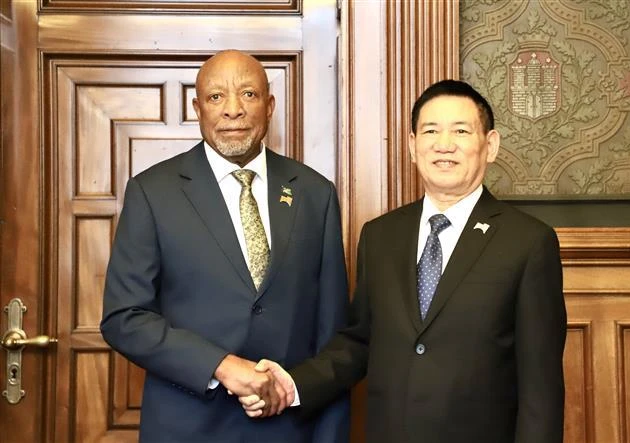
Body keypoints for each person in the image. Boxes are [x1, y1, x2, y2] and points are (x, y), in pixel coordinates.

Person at [241, 79, 567, 443]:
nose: (444, 145)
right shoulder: (381, 236)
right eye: (430, 131)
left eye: (460, 130)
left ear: (490, 145)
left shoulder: (528, 242)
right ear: (413, 146)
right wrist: (293, 383)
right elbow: (360, 343)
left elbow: (541, 387)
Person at [100, 50, 350, 443]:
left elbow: (333, 334)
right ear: (197, 108)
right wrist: (221, 365)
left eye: (248, 94)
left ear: (269, 106)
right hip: (186, 426)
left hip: (289, 428)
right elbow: (124, 318)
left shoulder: (315, 193)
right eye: (216, 97)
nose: (233, 109)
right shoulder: (153, 192)